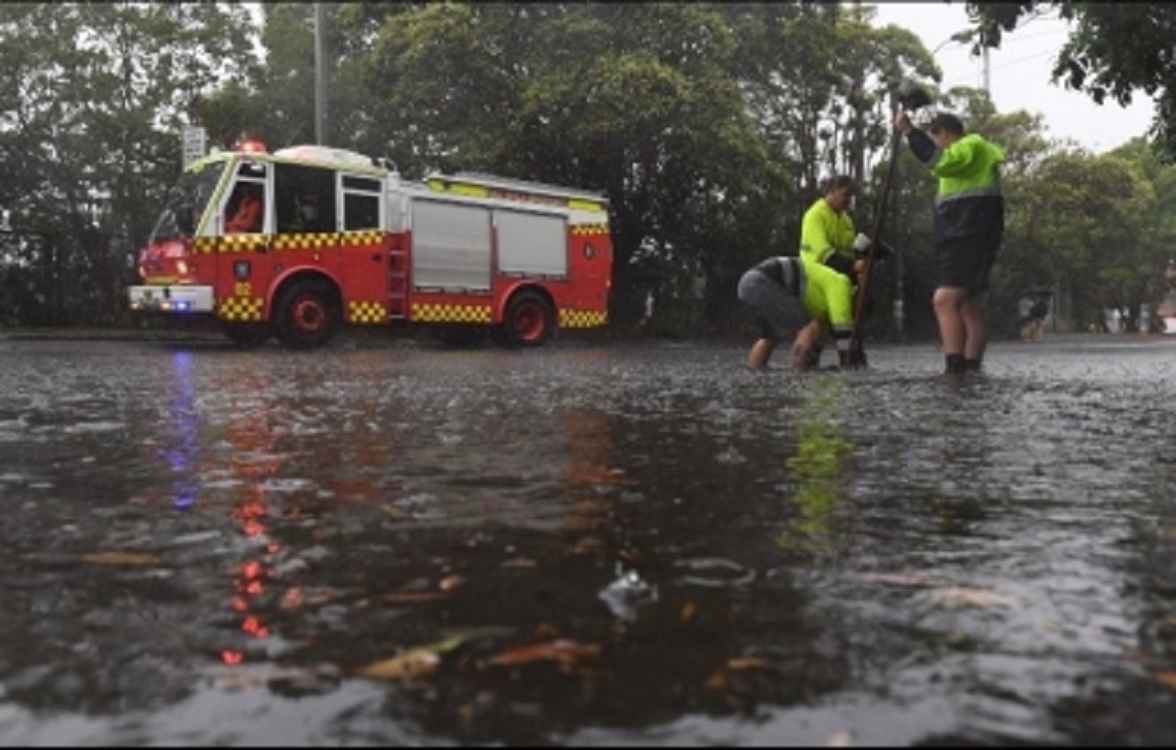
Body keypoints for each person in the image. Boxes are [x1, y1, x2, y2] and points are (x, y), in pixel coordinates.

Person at [894, 110, 1005, 375]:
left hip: (966, 234)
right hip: (972, 233)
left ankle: (954, 369)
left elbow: (938, 161)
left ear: (943, 133)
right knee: (969, 304)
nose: (936, 146)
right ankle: (971, 368)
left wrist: (909, 131)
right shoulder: (974, 155)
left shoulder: (969, 146)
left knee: (944, 300)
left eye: (935, 139)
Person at [798, 175, 876, 367]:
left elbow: (850, 252)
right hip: (813, 275)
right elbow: (824, 254)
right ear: (831, 191)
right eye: (845, 195)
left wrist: (864, 256)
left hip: (839, 277)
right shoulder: (815, 215)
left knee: (863, 301)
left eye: (851, 197)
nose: (848, 200)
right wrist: (853, 266)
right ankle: (806, 364)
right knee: (818, 323)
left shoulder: (846, 221)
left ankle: (850, 351)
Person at [737, 255, 858, 371]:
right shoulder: (841, 284)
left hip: (747, 283)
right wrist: (849, 365)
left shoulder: (823, 303)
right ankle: (796, 377)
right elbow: (843, 332)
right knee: (807, 329)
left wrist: (813, 362)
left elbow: (817, 339)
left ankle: (754, 371)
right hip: (761, 281)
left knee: (770, 336)